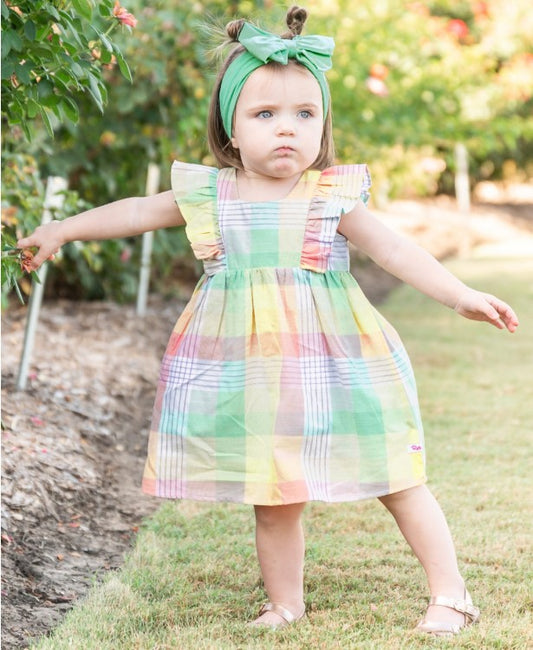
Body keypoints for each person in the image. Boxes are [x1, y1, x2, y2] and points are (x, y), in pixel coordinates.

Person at [18, 5, 518, 638]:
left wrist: (458, 294)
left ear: (323, 124)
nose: (288, 130)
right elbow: (136, 212)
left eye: (305, 115)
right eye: (266, 115)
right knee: (275, 494)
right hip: (254, 374)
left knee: (397, 475)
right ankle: (285, 602)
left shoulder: (330, 195)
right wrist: (63, 228)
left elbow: (396, 251)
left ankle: (450, 593)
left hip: (338, 362)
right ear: (230, 129)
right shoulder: (211, 194)